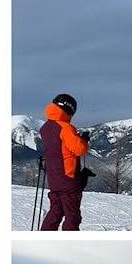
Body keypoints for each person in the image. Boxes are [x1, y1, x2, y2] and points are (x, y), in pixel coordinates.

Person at [38, 93, 90, 231]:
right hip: (68, 178)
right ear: (70, 109)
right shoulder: (66, 128)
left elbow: (58, 148)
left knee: (55, 212)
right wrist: (83, 140)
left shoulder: (45, 128)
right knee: (72, 216)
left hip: (54, 179)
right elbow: (80, 150)